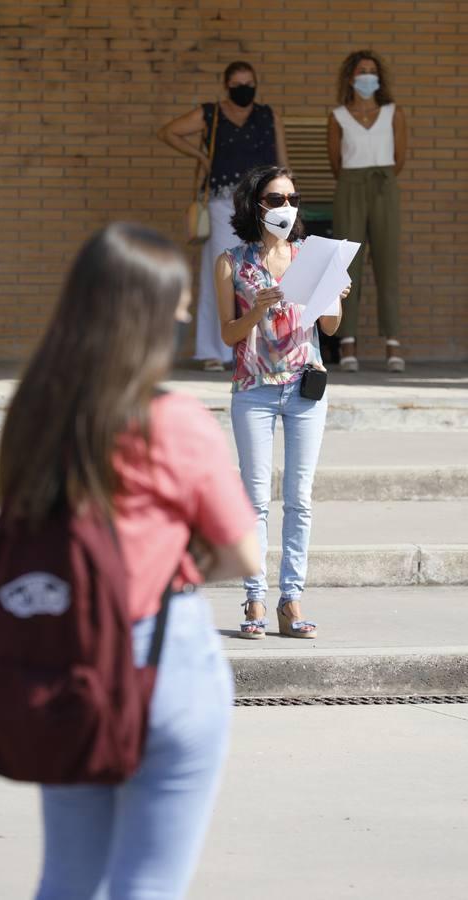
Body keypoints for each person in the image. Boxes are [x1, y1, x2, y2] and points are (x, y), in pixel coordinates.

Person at [0, 222, 260, 899]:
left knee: (67, 877)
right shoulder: (171, 420)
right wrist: (171, 552)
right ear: (146, 317)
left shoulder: (35, 410)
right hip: (161, 660)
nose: (178, 322)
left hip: (60, 661)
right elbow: (242, 551)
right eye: (175, 310)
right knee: (147, 884)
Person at [215, 165, 350, 639]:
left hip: (304, 385)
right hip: (253, 388)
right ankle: (254, 596)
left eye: (291, 198)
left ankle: (290, 600)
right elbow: (228, 334)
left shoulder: (312, 257)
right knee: (254, 500)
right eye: (275, 199)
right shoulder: (232, 262)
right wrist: (257, 308)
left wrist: (334, 295)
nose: (286, 208)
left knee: (300, 499)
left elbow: (329, 328)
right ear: (255, 205)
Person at [157, 60, 288, 372]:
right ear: (226, 86)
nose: (244, 89)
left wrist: (286, 195)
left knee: (264, 271)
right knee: (221, 270)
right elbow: (169, 131)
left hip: (261, 203)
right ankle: (214, 350)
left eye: (249, 83)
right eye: (237, 84)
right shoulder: (211, 113)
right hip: (220, 203)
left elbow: (282, 158)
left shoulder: (267, 115)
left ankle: (263, 346)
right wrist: (202, 157)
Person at [327, 49, 407, 372]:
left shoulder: (393, 113)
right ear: (351, 77)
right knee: (348, 266)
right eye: (361, 71)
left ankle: (393, 342)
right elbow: (336, 162)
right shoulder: (338, 116)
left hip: (384, 186)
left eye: (372, 71)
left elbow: (399, 159)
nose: (367, 77)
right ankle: (348, 343)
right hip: (350, 187)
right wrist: (354, 181)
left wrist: (379, 180)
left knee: (388, 263)